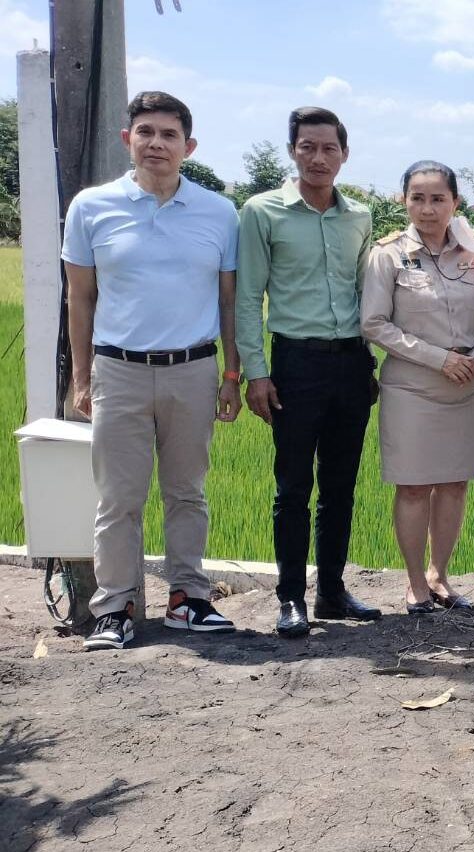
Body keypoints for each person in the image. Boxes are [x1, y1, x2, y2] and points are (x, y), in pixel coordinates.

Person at [66, 91, 242, 650]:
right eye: (146, 132)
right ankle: (115, 607)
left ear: (189, 146)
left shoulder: (219, 212)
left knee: (187, 492)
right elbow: (79, 299)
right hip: (118, 370)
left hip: (193, 368)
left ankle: (188, 599)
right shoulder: (91, 207)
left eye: (169, 135)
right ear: (128, 140)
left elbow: (230, 301)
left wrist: (232, 374)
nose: (156, 144)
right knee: (119, 498)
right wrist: (81, 377)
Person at [237, 106, 380, 637]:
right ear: (292, 151)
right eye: (307, 147)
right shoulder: (262, 211)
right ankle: (291, 598)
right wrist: (256, 373)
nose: (318, 158)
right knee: (293, 486)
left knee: (341, 486)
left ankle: (332, 592)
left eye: (329, 148)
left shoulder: (359, 216)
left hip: (351, 363)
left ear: (345, 154)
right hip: (295, 363)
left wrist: (368, 361)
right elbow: (247, 297)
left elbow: (365, 294)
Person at [360, 162, 474, 614]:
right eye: (418, 198)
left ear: (455, 203)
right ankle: (414, 584)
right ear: (403, 201)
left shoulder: (473, 253)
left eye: (438, 199)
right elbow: (374, 324)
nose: (428, 208)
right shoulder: (387, 255)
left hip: (465, 386)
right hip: (412, 387)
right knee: (412, 487)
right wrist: (439, 359)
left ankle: (439, 575)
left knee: (454, 484)